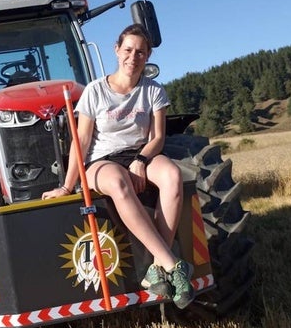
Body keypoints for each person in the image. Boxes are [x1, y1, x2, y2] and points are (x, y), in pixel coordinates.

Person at [41, 24, 194, 309]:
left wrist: (140, 160)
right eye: (128, 50)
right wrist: (66, 185)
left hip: (140, 155)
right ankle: (172, 265)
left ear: (147, 56)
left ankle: (156, 269)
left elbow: (158, 137)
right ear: (116, 50)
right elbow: (82, 140)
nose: (133, 57)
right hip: (103, 161)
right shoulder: (95, 91)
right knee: (119, 183)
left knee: (173, 175)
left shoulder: (154, 91)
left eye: (140, 52)